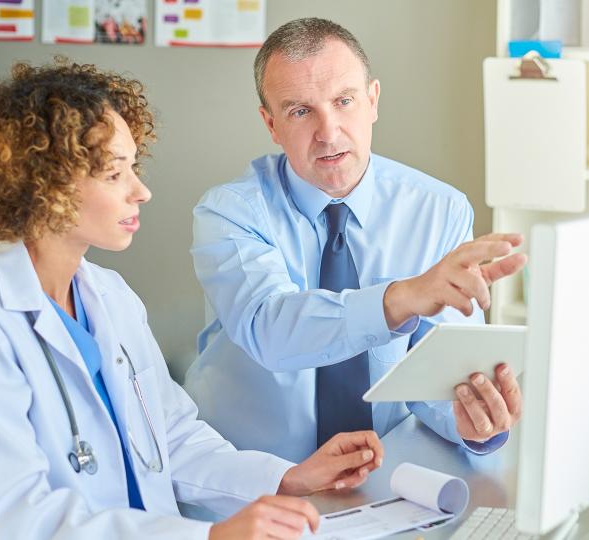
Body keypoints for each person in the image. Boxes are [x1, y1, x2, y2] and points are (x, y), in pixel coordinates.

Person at [0, 60, 384, 539]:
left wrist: (288, 477)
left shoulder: (110, 297)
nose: (141, 191)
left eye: (133, 168)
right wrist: (210, 536)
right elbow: (21, 519)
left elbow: (173, 439)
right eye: (115, 173)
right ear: (45, 184)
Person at [186, 18, 527, 465]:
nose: (328, 132)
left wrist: (469, 420)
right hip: (251, 479)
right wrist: (402, 299)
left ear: (372, 101)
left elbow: (438, 371)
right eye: (300, 111)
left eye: (344, 101)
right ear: (271, 124)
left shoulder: (438, 211)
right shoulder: (229, 213)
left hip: (375, 480)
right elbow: (272, 329)